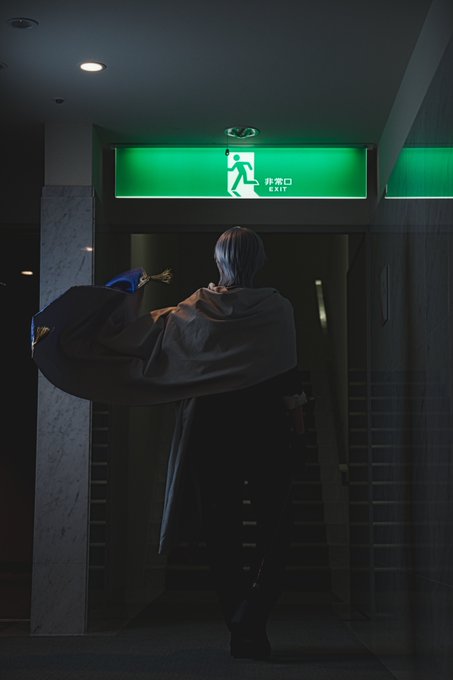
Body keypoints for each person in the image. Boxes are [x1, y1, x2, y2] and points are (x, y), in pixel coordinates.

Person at [31, 226, 304, 659]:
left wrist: (122, 294)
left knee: (222, 531)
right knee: (276, 529)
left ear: (219, 261)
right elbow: (288, 379)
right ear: (260, 259)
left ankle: (240, 620)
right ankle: (252, 614)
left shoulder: (193, 311)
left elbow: (129, 338)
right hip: (266, 428)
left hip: (212, 429)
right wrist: (299, 431)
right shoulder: (278, 309)